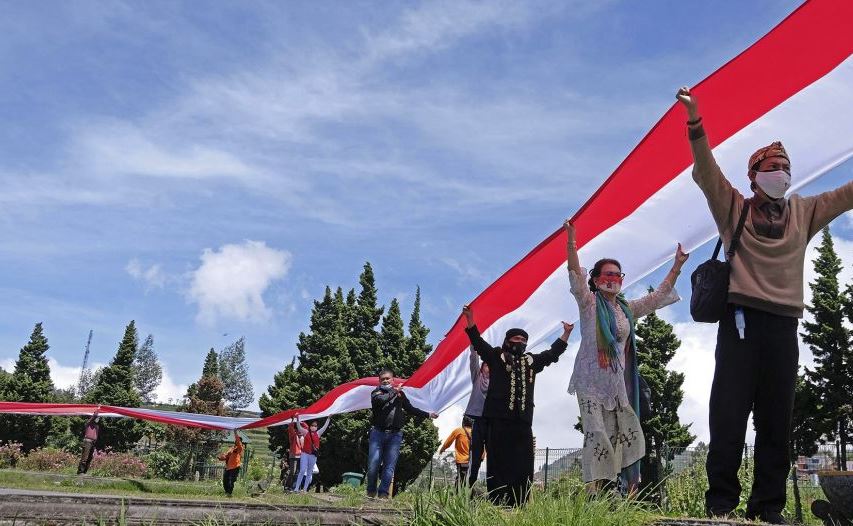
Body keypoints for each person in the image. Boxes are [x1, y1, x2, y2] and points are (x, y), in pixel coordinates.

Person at [676, 87, 853, 524]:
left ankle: (767, 508)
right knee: (728, 416)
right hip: (739, 323)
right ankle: (720, 505)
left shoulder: (804, 211)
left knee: (776, 421)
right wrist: (696, 122)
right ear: (754, 175)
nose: (781, 174)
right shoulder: (733, 207)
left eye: (786, 168)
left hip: (783, 326)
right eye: (772, 168)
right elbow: (706, 171)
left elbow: (847, 194)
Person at [564, 220, 687, 494]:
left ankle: (618, 491)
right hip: (590, 382)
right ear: (595, 280)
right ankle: (593, 492)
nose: (612, 278)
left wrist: (677, 266)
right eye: (607, 274)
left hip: (616, 383)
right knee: (596, 434)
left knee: (621, 434)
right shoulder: (589, 302)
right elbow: (574, 273)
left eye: (618, 275)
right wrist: (571, 240)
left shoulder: (626, 309)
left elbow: (657, 298)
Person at [463, 305, 573, 506]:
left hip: (522, 422)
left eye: (524, 340)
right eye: (516, 339)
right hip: (497, 421)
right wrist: (470, 320)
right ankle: (498, 502)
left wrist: (566, 333)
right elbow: (478, 343)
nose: (520, 343)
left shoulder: (531, 361)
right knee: (497, 462)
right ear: (507, 341)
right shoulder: (496, 357)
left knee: (522, 463)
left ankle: (519, 503)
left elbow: (551, 355)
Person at [367, 367, 438, 498]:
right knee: (373, 464)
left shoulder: (399, 394)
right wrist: (395, 391)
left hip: (395, 435)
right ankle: (371, 491)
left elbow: (410, 408)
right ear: (379, 381)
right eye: (382, 379)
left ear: (392, 379)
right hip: (378, 433)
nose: (385, 381)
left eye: (388, 378)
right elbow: (382, 401)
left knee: (389, 466)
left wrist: (428, 414)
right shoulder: (376, 393)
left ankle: (383, 494)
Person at [464, 346, 489, 486]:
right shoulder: (477, 378)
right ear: (482, 367)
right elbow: (473, 360)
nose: (489, 368)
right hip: (478, 420)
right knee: (476, 453)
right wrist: (474, 346)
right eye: (486, 365)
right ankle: (470, 484)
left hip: (491, 421)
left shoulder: (497, 382)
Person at [293, 414, 330, 492]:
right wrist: (297, 419)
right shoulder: (306, 432)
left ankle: (305, 489)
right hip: (305, 454)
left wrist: (328, 418)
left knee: (309, 472)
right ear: (310, 426)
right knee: (302, 470)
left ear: (317, 427)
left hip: (313, 455)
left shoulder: (318, 433)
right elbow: (299, 427)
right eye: (312, 425)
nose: (314, 426)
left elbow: (325, 427)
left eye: (315, 426)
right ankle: (296, 488)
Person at [439, 416, 474, 488]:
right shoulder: (475, 432)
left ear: (463, 422)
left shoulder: (459, 431)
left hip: (462, 461)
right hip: (473, 461)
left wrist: (442, 449)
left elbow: (448, 441)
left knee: (460, 480)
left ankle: (459, 496)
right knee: (469, 480)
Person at [218, 432, 244, 496]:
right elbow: (227, 456)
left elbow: (238, 443)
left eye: (237, 440)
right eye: (236, 440)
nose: (236, 441)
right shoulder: (231, 448)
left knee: (231, 481)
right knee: (225, 480)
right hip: (228, 467)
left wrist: (235, 433)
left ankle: (229, 493)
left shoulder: (240, 448)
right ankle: (226, 492)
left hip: (235, 467)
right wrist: (221, 458)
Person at [77, 409, 100, 475]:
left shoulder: (97, 426)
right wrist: (98, 409)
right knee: (85, 457)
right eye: (98, 417)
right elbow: (95, 416)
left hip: (93, 442)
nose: (98, 418)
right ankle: (80, 472)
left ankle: (84, 472)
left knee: (90, 458)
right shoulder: (88, 423)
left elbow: (96, 435)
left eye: (99, 418)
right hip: (87, 441)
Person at [284, 417, 304, 491]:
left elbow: (306, 427)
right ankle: (287, 486)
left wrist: (300, 421)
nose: (300, 430)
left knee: (298, 473)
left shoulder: (303, 436)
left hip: (301, 457)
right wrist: (293, 420)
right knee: (292, 471)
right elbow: (290, 428)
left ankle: (294, 487)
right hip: (294, 456)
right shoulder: (293, 435)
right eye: (298, 428)